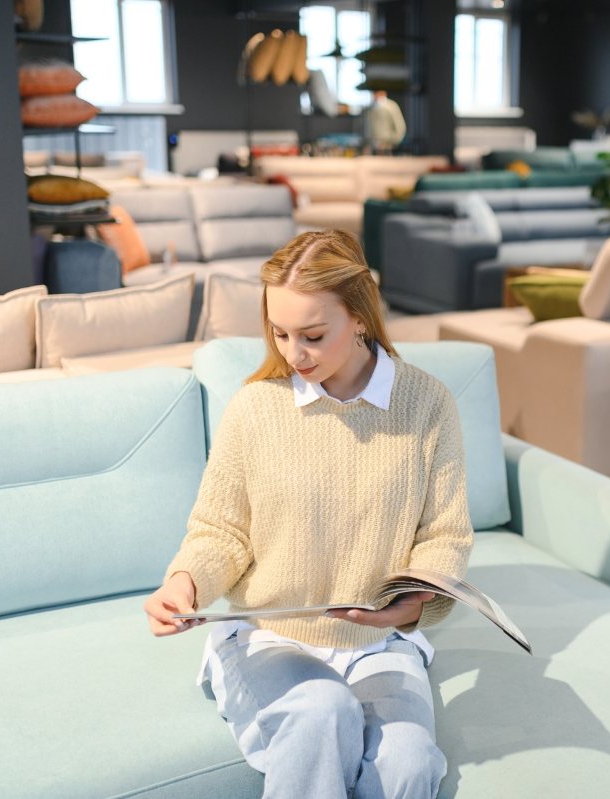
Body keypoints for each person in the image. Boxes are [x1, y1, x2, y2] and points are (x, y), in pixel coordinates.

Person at [143, 229, 474, 799]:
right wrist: (185, 583)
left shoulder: (428, 404)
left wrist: (413, 599)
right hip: (270, 636)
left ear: (361, 318)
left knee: (411, 763)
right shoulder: (255, 408)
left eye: (313, 336)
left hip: (378, 646)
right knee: (321, 711)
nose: (294, 354)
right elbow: (221, 531)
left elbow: (444, 535)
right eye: (280, 333)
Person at [366, 90, 406, 154]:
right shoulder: (371, 108)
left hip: (388, 141)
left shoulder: (391, 106)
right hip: (375, 142)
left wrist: (397, 138)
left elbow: (399, 124)